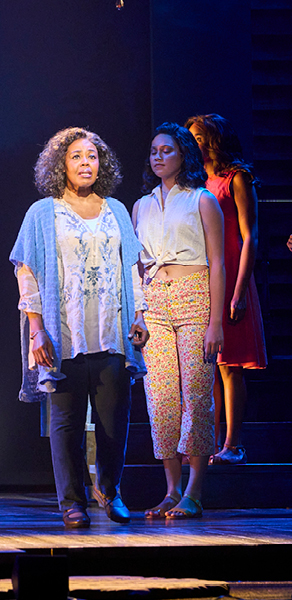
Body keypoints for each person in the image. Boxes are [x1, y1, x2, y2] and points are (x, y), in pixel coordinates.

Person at [10, 128, 148, 528]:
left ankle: (110, 491)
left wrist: (139, 314)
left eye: (92, 156)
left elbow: (133, 267)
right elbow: (26, 272)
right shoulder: (43, 212)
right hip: (64, 332)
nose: (86, 163)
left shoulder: (116, 210)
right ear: (61, 165)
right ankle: (71, 501)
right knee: (66, 422)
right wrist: (37, 329)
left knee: (113, 421)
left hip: (111, 330)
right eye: (76, 156)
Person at [133, 122, 225, 519]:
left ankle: (194, 490)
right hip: (154, 300)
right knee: (160, 397)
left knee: (196, 395)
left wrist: (216, 321)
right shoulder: (142, 205)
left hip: (194, 296)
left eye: (166, 150)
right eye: (154, 150)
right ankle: (171, 490)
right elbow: (136, 266)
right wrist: (138, 313)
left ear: (183, 154)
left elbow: (218, 262)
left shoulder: (202, 200)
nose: (158, 156)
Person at [185, 114, 267, 465]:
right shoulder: (194, 181)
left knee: (229, 364)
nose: (194, 144)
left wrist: (239, 291)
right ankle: (209, 443)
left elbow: (250, 236)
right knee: (208, 366)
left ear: (214, 140)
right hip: (202, 277)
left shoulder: (236, 178)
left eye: (199, 138)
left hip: (232, 275)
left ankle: (233, 445)